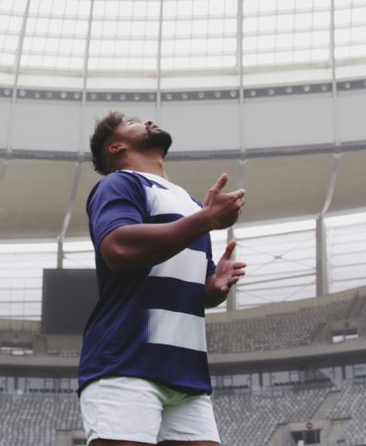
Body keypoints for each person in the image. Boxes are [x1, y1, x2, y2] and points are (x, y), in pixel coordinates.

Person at [78, 111, 247, 446]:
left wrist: (213, 287)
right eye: (133, 123)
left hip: (187, 374)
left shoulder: (192, 204)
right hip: (126, 364)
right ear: (116, 147)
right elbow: (119, 248)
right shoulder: (119, 184)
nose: (148, 121)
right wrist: (206, 221)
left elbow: (193, 291)